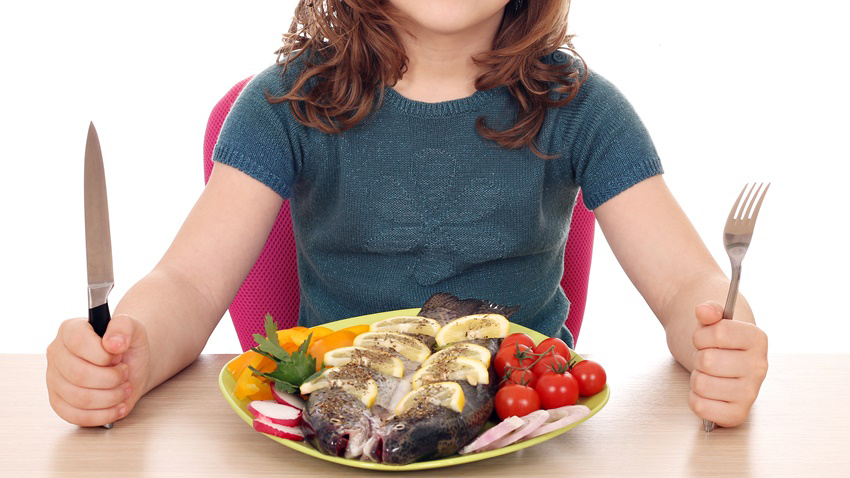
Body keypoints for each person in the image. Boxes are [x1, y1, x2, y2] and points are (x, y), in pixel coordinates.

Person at [46, 0, 768, 429]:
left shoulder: (584, 109)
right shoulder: (285, 105)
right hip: (334, 437)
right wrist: (129, 352)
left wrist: (721, 333)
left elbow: (686, 287)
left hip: (520, 434)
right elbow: (189, 285)